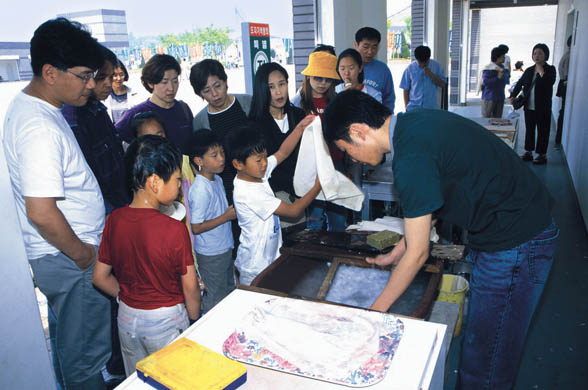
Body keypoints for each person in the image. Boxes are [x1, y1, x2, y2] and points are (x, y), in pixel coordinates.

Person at [322, 89, 558, 390]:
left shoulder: (410, 158)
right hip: (508, 230)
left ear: (358, 132)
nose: (355, 160)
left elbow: (419, 254)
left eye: (347, 150)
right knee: (481, 344)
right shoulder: (415, 123)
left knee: (487, 359)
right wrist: (396, 253)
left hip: (516, 242)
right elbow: (428, 207)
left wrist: (374, 313)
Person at [2, 18, 111, 389]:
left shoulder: (41, 110)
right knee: (85, 360)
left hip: (64, 257)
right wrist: (83, 255)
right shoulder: (39, 128)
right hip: (69, 258)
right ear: (50, 72)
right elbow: (42, 212)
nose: (92, 85)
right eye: (84, 76)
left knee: (72, 348)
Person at [92, 135, 201, 376]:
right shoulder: (173, 228)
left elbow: (99, 277)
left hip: (127, 319)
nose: (179, 187)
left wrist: (130, 297)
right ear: (154, 182)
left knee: (139, 380)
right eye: (176, 180)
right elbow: (190, 287)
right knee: (175, 379)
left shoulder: (114, 221)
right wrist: (195, 320)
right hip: (165, 321)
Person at [61, 45, 129, 383]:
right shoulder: (73, 118)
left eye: (107, 76)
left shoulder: (98, 111)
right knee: (107, 295)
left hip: (115, 208)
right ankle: (114, 364)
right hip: (98, 220)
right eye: (100, 77)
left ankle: (116, 364)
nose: (103, 84)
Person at [227, 120, 320, 285]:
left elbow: (282, 153)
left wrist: (299, 129)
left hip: (269, 257)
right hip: (254, 266)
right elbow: (293, 211)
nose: (264, 163)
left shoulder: (255, 172)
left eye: (264, 157)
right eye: (258, 160)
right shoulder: (248, 192)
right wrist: (317, 186)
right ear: (238, 164)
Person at [291, 50, 347, 232]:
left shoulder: (338, 102)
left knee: (338, 218)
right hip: (311, 168)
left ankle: (337, 258)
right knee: (314, 219)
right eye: (318, 78)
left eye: (327, 79)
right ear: (308, 77)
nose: (323, 83)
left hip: (335, 164)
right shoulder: (297, 103)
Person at [248, 62, 308, 226]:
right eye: (271, 87)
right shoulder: (254, 124)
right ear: (262, 90)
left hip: (300, 194)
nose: (278, 92)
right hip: (271, 197)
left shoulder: (299, 115)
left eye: (282, 84)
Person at [185, 129, 236, 313]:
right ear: (199, 161)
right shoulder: (200, 189)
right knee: (214, 299)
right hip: (211, 253)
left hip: (223, 247)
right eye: (214, 155)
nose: (221, 158)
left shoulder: (218, 180)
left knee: (229, 292)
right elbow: (196, 227)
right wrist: (225, 217)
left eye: (222, 152)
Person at [190, 59, 252, 204]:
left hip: (257, 178)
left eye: (217, 86)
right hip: (226, 189)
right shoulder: (200, 121)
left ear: (225, 81)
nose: (215, 94)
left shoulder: (247, 103)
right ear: (200, 94)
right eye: (206, 91)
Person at [115, 54, 193, 148]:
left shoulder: (183, 108)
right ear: (150, 83)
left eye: (175, 81)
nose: (171, 88)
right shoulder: (136, 113)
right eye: (164, 82)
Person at [509, 43, 556, 165]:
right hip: (529, 107)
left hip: (543, 107)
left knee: (543, 131)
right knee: (530, 130)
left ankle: (541, 155)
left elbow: (549, 82)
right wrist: (513, 95)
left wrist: (541, 70)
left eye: (540, 53)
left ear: (546, 55)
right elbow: (520, 83)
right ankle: (528, 152)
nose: (537, 56)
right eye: (535, 53)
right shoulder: (529, 70)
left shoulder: (550, 70)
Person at [354, 27, 395, 113]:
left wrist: (385, 118)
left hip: (375, 120)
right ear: (356, 45)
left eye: (374, 47)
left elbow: (389, 98)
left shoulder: (382, 69)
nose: (370, 51)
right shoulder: (346, 66)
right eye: (366, 46)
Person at [399, 45, 446, 111]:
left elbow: (443, 84)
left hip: (431, 108)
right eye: (420, 62)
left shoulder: (436, 66)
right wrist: (406, 107)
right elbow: (405, 89)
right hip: (414, 107)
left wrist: (431, 74)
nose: (422, 64)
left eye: (425, 62)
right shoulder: (410, 68)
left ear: (429, 58)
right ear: (416, 59)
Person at [480, 47, 507, 118]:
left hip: (500, 97)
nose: (504, 57)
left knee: (497, 120)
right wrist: (497, 78)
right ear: (497, 57)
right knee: (487, 119)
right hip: (490, 98)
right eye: (503, 56)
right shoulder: (489, 68)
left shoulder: (501, 67)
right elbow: (486, 82)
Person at [556, 36, 572, 146]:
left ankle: (558, 138)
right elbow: (566, 74)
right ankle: (558, 138)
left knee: (563, 110)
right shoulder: (569, 56)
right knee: (564, 111)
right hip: (565, 83)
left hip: (563, 83)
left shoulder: (567, 54)